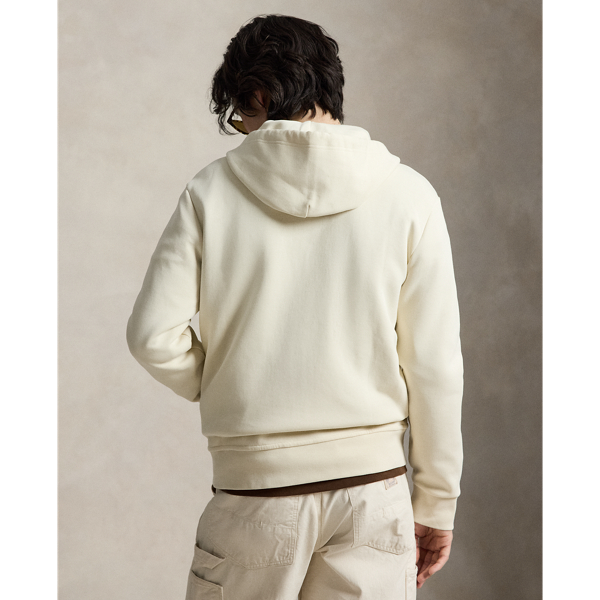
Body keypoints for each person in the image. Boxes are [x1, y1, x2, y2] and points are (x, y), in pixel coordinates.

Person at [126, 13, 463, 600]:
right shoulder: (410, 195)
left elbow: (152, 335)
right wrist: (436, 502)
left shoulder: (210, 192)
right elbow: (434, 366)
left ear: (256, 95)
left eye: (240, 114)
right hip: (373, 493)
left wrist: (226, 379)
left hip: (256, 493)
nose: (243, 129)